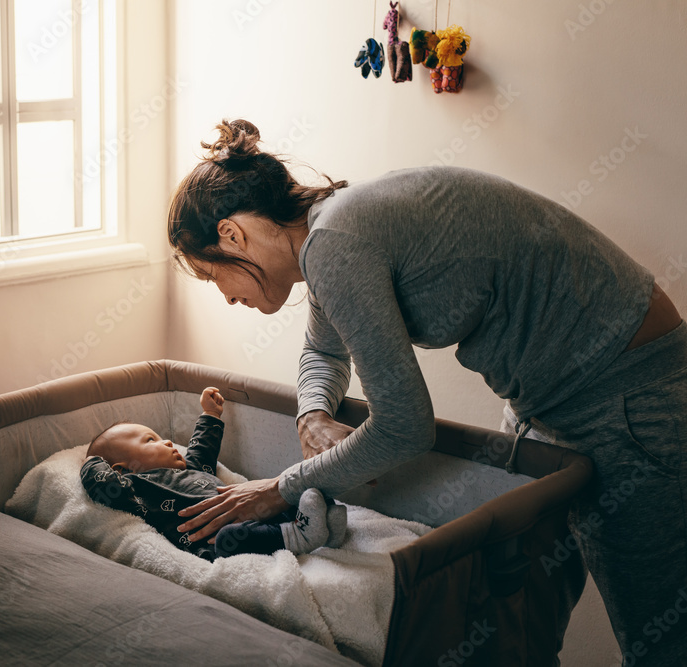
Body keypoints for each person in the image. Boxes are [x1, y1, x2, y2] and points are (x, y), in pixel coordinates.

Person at [167, 119, 686, 663]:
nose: (225, 297)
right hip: (544, 399)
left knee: (658, 634)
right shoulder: (327, 236)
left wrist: (281, 488)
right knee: (519, 614)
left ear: (231, 235)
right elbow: (322, 352)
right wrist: (312, 415)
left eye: (212, 277)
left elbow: (405, 426)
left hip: (625, 389)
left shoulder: (335, 243)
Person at [80, 386, 347, 561]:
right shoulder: (136, 488)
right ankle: (299, 535)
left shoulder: (190, 469)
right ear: (121, 470)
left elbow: (202, 453)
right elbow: (102, 485)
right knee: (230, 538)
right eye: (151, 441)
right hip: (215, 542)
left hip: (250, 512)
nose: (168, 442)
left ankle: (322, 528)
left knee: (297, 494)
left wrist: (210, 414)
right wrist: (91, 461)